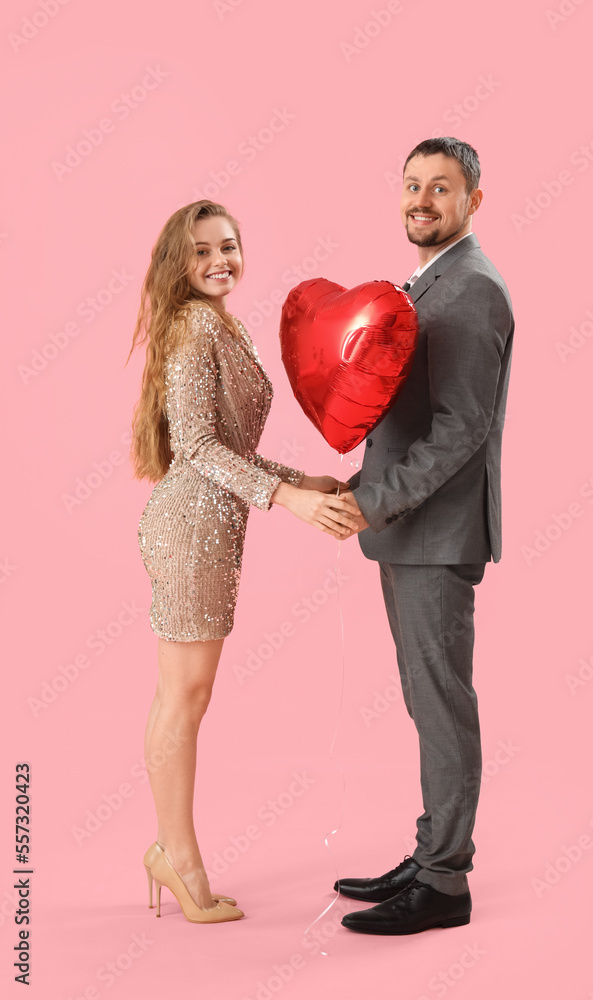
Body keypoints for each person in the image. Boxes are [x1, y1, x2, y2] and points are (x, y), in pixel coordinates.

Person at [127, 201, 360, 925]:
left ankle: (172, 851)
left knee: (183, 697)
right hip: (190, 527)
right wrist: (286, 499)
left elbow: (225, 443)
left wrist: (300, 478)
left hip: (209, 523)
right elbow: (195, 448)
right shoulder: (195, 331)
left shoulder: (217, 323)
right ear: (178, 262)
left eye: (227, 246)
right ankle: (177, 857)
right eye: (200, 252)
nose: (218, 260)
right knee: (183, 699)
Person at [337, 137, 515, 934]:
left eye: (439, 188)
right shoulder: (432, 280)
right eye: (411, 184)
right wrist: (359, 491)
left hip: (434, 533)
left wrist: (378, 502)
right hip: (410, 530)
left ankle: (445, 883)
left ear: (473, 199)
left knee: (441, 706)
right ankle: (430, 850)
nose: (420, 199)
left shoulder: (471, 289)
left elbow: (460, 433)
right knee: (424, 699)